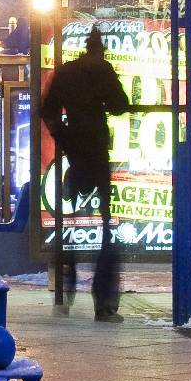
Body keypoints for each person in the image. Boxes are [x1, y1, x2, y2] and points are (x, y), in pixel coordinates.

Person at [41, 26, 133, 322]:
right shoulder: (102, 69)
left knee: (66, 222)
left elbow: (48, 109)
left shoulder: (67, 72)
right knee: (106, 226)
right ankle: (103, 303)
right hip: (95, 146)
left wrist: (63, 135)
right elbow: (120, 105)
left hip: (73, 149)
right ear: (100, 48)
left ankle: (64, 292)